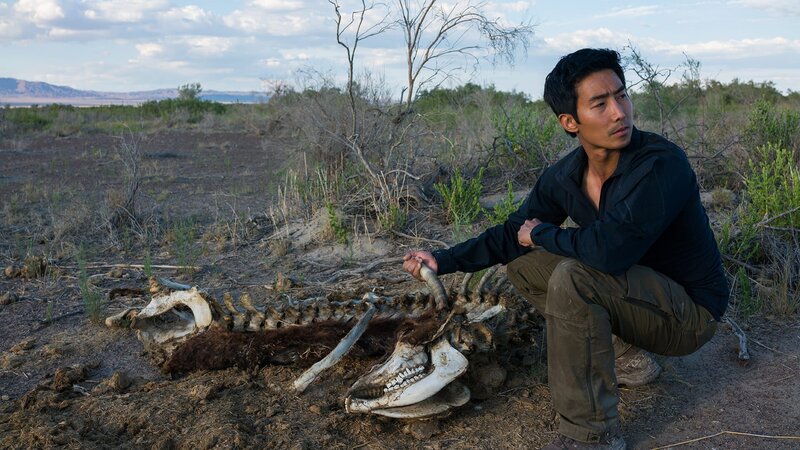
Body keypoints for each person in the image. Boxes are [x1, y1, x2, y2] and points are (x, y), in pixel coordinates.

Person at [402, 48, 728, 450]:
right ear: (570, 122)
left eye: (622, 95)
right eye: (600, 103)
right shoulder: (566, 176)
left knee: (574, 277)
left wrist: (543, 235)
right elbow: (514, 234)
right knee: (525, 266)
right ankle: (627, 356)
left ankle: (592, 436)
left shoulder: (660, 164)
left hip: (689, 315)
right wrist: (443, 259)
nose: (620, 112)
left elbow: (610, 251)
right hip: (637, 297)